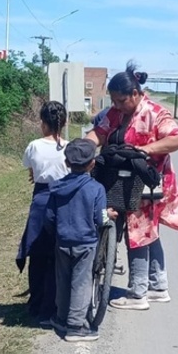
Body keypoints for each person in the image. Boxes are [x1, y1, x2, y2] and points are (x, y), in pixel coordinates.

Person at [87, 62, 178, 310]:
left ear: (134, 94)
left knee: (138, 231)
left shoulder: (155, 113)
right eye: (113, 101)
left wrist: (146, 149)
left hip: (147, 181)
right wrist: (84, 148)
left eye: (121, 100)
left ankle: (137, 293)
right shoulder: (116, 113)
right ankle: (158, 287)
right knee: (149, 231)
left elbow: (177, 139)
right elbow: (99, 133)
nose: (117, 105)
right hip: (120, 178)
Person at [45, 138, 116, 342]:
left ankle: (61, 318)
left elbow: (49, 217)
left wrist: (57, 234)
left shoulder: (56, 187)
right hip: (85, 242)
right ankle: (76, 326)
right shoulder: (96, 188)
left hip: (62, 241)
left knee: (63, 279)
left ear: (67, 163)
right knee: (81, 282)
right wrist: (109, 216)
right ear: (92, 163)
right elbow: (99, 218)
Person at [16, 101, 69, 326]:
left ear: (43, 123)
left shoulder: (34, 146)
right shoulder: (69, 147)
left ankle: (37, 305)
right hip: (63, 200)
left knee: (37, 253)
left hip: (40, 199)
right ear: (63, 123)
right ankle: (54, 305)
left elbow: (32, 172)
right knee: (57, 255)